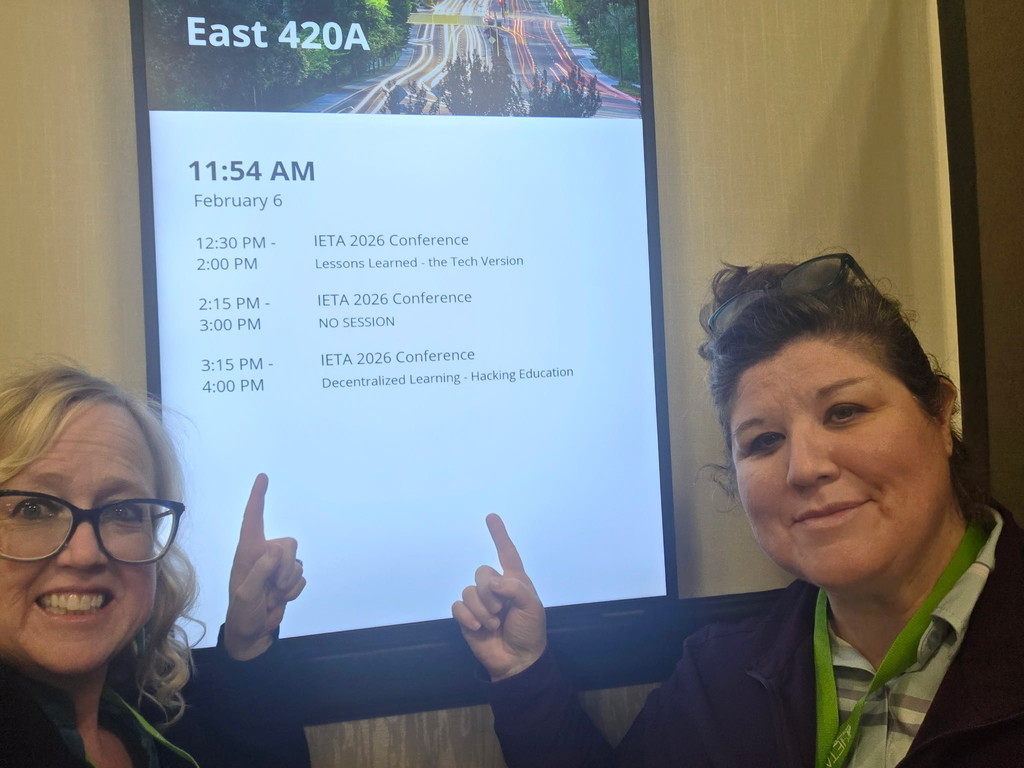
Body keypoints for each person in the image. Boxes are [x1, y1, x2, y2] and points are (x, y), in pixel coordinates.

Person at [453, 253, 1024, 767]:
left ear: (940, 414)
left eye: (845, 411)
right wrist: (522, 674)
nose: (804, 467)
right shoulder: (718, 679)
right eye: (764, 441)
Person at [0, 364, 310, 768]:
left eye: (124, 510)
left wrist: (247, 642)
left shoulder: (151, 712)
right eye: (34, 508)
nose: (84, 554)